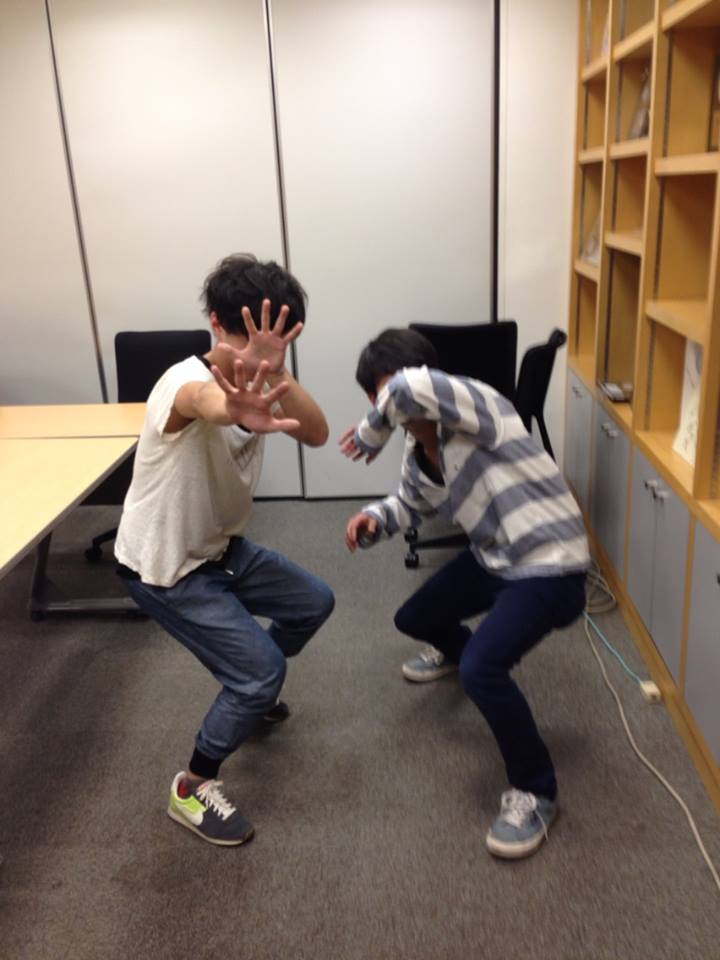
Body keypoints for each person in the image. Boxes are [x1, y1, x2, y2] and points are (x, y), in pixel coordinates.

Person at [341, 328, 589, 859]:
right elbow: (410, 504)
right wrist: (374, 518)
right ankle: (464, 653)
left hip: (549, 562)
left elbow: (406, 388)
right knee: (413, 618)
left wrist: (369, 431)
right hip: (495, 558)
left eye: (388, 393)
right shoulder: (419, 450)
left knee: (483, 670)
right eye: (379, 397)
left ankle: (536, 791)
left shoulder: (480, 407)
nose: (392, 406)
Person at [115, 254, 335, 846]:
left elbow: (317, 433)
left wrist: (274, 374)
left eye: (271, 339)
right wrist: (232, 404)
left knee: (313, 602)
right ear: (215, 323)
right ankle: (191, 786)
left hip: (219, 550)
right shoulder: (180, 382)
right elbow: (202, 402)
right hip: (166, 568)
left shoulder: (267, 378)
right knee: (262, 672)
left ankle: (250, 693)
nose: (252, 353)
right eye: (242, 335)